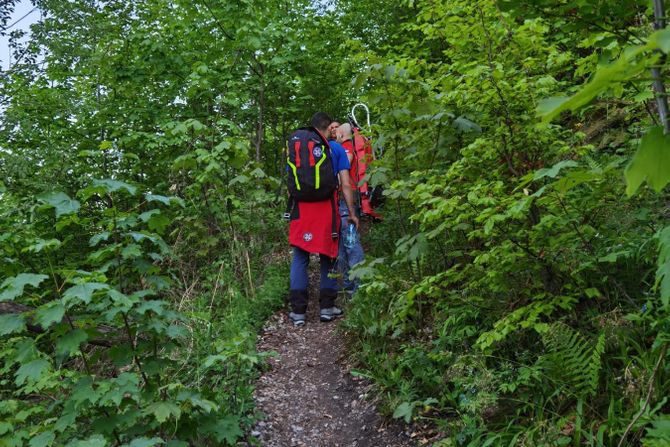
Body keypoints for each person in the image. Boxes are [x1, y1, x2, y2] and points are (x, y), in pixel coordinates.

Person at [288, 113, 359, 326]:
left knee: (300, 257)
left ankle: (298, 312)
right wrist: (352, 212)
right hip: (326, 209)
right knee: (328, 256)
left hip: (300, 209)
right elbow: (345, 184)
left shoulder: (298, 147)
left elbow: (291, 180)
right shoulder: (335, 149)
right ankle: (327, 308)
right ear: (329, 129)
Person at [335, 123, 365, 296]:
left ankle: (358, 289)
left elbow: (343, 177)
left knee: (351, 244)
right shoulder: (347, 148)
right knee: (343, 245)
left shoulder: (346, 149)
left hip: (347, 203)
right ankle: (349, 287)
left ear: (341, 133)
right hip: (345, 203)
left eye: (336, 130)